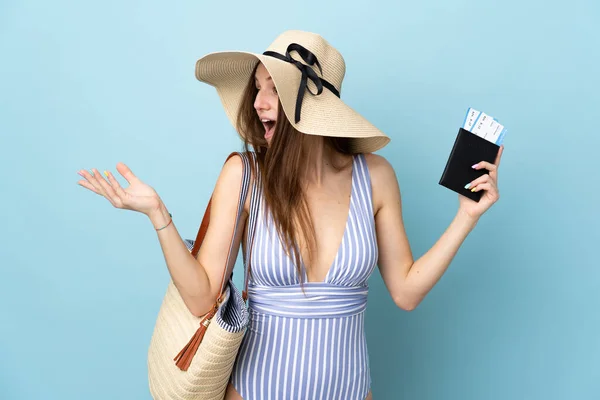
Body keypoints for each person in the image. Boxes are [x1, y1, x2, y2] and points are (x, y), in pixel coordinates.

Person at [77, 30, 503, 400]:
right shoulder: (243, 175)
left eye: (273, 89)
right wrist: (159, 216)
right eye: (257, 88)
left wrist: (467, 216)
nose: (259, 103)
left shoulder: (376, 177)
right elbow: (202, 296)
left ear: (314, 106)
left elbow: (406, 293)